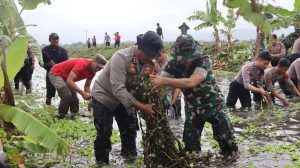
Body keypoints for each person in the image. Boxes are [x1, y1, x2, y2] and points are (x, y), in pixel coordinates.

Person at [151, 34, 238, 158]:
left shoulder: (204, 60)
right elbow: (160, 80)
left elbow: (192, 82)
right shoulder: (173, 63)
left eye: (189, 58)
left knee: (228, 146)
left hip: (214, 106)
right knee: (191, 149)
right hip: (192, 108)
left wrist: (165, 82)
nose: (187, 61)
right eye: (183, 58)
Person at [91, 31, 163, 165]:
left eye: (153, 55)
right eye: (148, 54)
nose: (150, 58)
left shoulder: (150, 63)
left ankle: (130, 160)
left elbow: (146, 86)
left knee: (130, 129)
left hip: (125, 98)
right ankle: (102, 162)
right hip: (104, 95)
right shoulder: (121, 57)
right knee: (104, 132)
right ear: (139, 48)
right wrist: (142, 107)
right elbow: (118, 89)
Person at [42, 33, 69, 105]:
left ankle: (62, 110)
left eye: (57, 39)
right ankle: (48, 109)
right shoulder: (45, 50)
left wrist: (57, 66)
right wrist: (49, 64)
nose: (56, 40)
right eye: (54, 39)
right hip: (50, 74)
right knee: (49, 95)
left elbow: (67, 64)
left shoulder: (63, 50)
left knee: (64, 94)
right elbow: (41, 64)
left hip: (61, 75)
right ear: (49, 40)